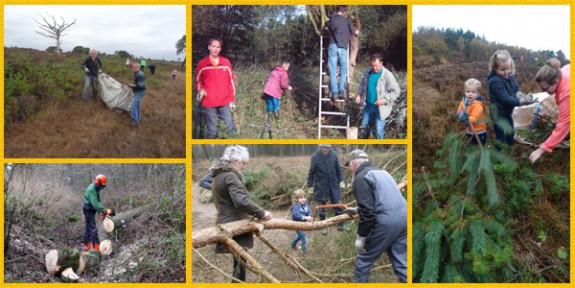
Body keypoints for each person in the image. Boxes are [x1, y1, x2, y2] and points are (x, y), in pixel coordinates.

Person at [211, 145, 272, 282]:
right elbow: (241, 201)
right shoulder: (230, 176)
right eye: (243, 163)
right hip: (235, 224)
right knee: (240, 263)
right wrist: (262, 212)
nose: (244, 166)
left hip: (226, 221)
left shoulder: (218, 175)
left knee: (239, 262)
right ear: (235, 161)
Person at [344, 150, 407, 283]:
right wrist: (357, 209)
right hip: (404, 218)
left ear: (354, 163)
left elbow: (369, 213)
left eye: (349, 165)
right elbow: (382, 199)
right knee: (402, 263)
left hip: (387, 222)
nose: (349, 168)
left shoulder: (360, 178)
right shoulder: (382, 172)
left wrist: (361, 237)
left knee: (363, 260)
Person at [487, 50, 535, 150]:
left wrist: (520, 95)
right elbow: (505, 99)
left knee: (510, 132)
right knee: (501, 136)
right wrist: (521, 102)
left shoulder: (510, 76)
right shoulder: (494, 81)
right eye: (502, 69)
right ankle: (498, 156)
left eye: (508, 68)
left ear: (511, 66)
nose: (506, 72)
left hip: (507, 112)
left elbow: (516, 88)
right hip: (498, 114)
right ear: (495, 68)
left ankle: (509, 150)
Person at [529, 59, 570, 163]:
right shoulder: (562, 71)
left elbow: (563, 126)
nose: (543, 92)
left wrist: (541, 150)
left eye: (545, 89)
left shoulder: (567, 93)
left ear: (555, 82)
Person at [195, 38, 236, 139]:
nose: (215, 49)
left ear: (220, 49)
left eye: (218, 47)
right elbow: (198, 81)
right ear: (209, 47)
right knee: (212, 131)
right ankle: (212, 150)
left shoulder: (226, 63)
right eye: (213, 46)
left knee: (229, 129)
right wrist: (201, 90)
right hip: (209, 103)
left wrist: (232, 100)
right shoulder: (202, 64)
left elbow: (231, 82)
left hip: (225, 101)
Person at [355, 53, 401, 139]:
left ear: (381, 63)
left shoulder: (387, 75)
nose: (374, 68)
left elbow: (396, 91)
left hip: (381, 107)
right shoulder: (367, 72)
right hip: (368, 105)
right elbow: (362, 84)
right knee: (365, 126)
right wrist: (359, 95)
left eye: (376, 66)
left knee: (379, 129)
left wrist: (383, 100)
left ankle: (380, 146)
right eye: (372, 66)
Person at [306, 144, 347, 235]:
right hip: (320, 185)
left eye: (327, 147)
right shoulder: (315, 156)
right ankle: (323, 226)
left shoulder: (333, 155)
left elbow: (338, 170)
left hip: (333, 184)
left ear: (330, 147)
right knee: (321, 207)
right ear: (320, 147)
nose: (325, 149)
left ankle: (340, 224)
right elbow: (311, 173)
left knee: (338, 204)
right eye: (323, 147)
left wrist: (341, 181)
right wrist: (310, 186)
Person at [328, 5, 359, 101]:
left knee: (333, 71)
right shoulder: (347, 21)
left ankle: (334, 93)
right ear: (343, 10)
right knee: (343, 71)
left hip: (333, 45)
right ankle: (341, 90)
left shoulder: (331, 18)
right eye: (345, 9)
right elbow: (355, 32)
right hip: (343, 47)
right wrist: (356, 30)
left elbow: (327, 28)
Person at [261, 60, 292, 138]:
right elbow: (283, 84)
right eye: (288, 67)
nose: (288, 68)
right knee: (276, 105)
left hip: (268, 90)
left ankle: (269, 117)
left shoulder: (275, 70)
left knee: (270, 103)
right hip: (275, 91)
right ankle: (277, 119)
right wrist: (288, 87)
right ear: (286, 66)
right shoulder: (284, 73)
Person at [83, 174, 114, 251]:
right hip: (88, 209)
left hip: (91, 209)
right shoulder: (91, 189)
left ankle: (87, 246)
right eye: (101, 185)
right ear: (97, 182)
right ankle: (97, 249)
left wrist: (101, 212)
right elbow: (95, 204)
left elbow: (98, 202)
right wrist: (105, 210)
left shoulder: (96, 189)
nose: (101, 187)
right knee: (93, 230)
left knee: (88, 228)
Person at [457, 78, 487, 145]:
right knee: (471, 146)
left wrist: (467, 120)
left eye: (473, 92)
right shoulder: (463, 102)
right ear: (465, 92)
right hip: (469, 130)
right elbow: (459, 111)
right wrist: (462, 117)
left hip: (479, 131)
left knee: (479, 146)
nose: (470, 94)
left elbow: (474, 117)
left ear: (478, 94)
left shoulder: (478, 105)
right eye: (468, 91)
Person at [290, 189, 313, 256]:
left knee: (300, 236)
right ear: (297, 199)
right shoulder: (296, 206)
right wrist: (305, 217)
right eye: (301, 198)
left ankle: (293, 244)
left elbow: (310, 212)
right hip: (297, 225)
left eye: (304, 197)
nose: (303, 199)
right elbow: (296, 215)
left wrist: (311, 217)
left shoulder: (306, 206)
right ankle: (303, 253)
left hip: (304, 225)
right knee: (304, 239)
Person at [128, 63, 146, 127]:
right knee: (137, 106)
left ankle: (135, 122)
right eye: (133, 67)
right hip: (138, 92)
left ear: (138, 67)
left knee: (133, 107)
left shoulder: (140, 74)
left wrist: (132, 85)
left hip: (139, 93)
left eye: (135, 67)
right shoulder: (137, 73)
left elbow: (141, 85)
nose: (133, 68)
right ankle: (139, 119)